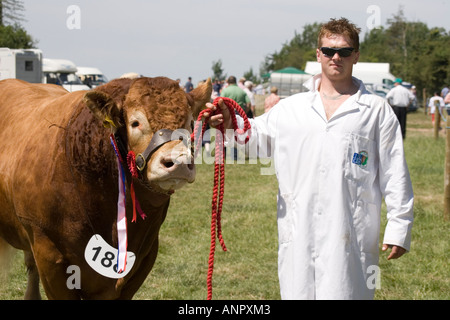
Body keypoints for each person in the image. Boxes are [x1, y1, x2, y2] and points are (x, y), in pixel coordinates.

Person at [203, 17, 414, 300]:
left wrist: (399, 227)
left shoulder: (376, 111)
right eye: (328, 51)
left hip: (350, 233)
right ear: (318, 55)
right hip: (297, 231)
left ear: (356, 55)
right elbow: (256, 140)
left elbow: (394, 172)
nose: (335, 57)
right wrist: (229, 122)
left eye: (344, 51)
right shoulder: (291, 109)